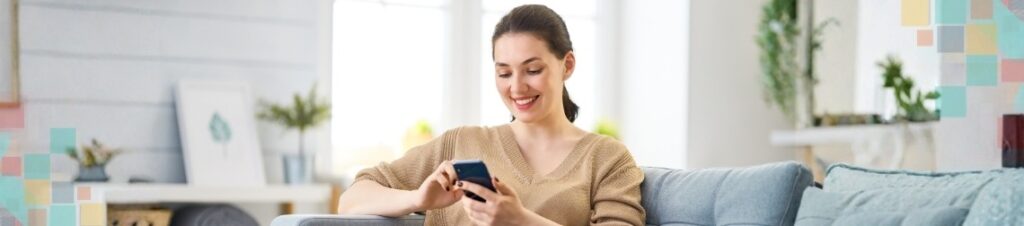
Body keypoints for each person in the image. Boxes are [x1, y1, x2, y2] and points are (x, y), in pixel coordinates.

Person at [337, 4, 645, 225]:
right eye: (504, 72)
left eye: (533, 70)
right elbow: (351, 200)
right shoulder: (461, 143)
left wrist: (520, 220)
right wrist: (418, 199)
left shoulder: (608, 159)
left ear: (567, 65)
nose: (517, 87)